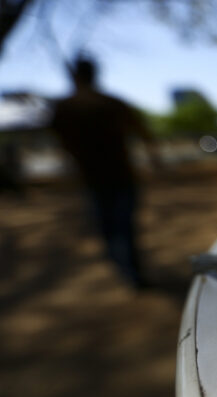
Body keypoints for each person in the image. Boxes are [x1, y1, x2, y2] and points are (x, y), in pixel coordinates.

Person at [50, 56, 160, 289]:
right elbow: (143, 132)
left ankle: (128, 269)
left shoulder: (67, 107)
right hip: (114, 177)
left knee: (114, 227)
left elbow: (61, 144)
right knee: (118, 227)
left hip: (103, 178)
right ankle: (128, 269)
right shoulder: (105, 104)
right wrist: (154, 159)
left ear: (75, 76)